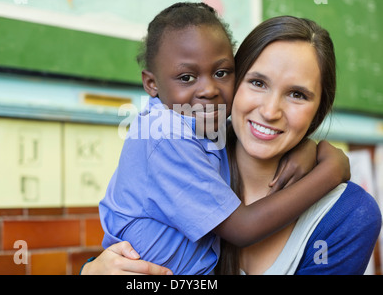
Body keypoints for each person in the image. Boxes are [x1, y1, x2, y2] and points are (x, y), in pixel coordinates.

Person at [88, 15, 381, 275]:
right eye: (258, 83)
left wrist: (318, 155)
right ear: (238, 84)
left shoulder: (351, 215)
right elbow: (131, 253)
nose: (270, 111)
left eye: (297, 94)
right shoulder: (191, 153)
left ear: (319, 109)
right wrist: (89, 271)